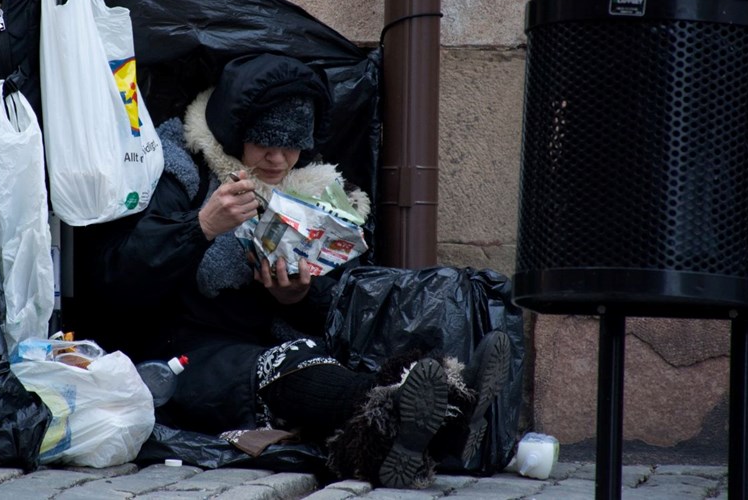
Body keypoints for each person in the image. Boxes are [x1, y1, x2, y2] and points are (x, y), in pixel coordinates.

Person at [72, 53, 511, 489]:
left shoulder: (314, 188)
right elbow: (115, 281)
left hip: (279, 338)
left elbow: (333, 295)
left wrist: (299, 297)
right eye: (266, 144)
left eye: (292, 146)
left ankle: (426, 414)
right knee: (290, 363)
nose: (280, 160)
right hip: (181, 352)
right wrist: (201, 227)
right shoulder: (178, 169)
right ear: (233, 132)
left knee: (339, 344)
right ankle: (450, 414)